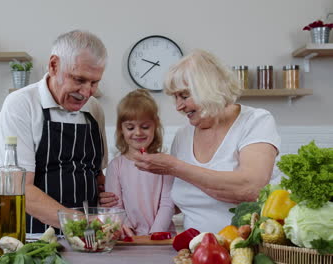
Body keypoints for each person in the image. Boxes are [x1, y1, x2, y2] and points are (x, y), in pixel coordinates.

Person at [101, 49, 280, 233]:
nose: (179, 106)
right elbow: (180, 200)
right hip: (192, 250)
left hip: (242, 249)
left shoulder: (256, 121)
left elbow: (251, 188)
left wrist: (175, 167)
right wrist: (124, 199)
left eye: (184, 96)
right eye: (176, 97)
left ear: (208, 88)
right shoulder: (183, 136)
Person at [0, 30, 108, 233]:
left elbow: (97, 174)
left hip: (87, 237)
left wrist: (111, 195)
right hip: (35, 236)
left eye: (94, 82)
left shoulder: (94, 109)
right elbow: (20, 189)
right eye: (79, 80)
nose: (86, 93)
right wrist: (80, 223)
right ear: (54, 65)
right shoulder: (21, 105)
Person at [105, 89, 175, 237]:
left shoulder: (165, 163)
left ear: (155, 126)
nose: (138, 133)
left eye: (145, 127)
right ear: (121, 129)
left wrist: (155, 235)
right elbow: (115, 207)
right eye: (130, 127)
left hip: (161, 238)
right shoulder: (116, 166)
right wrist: (124, 227)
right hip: (128, 238)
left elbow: (167, 205)